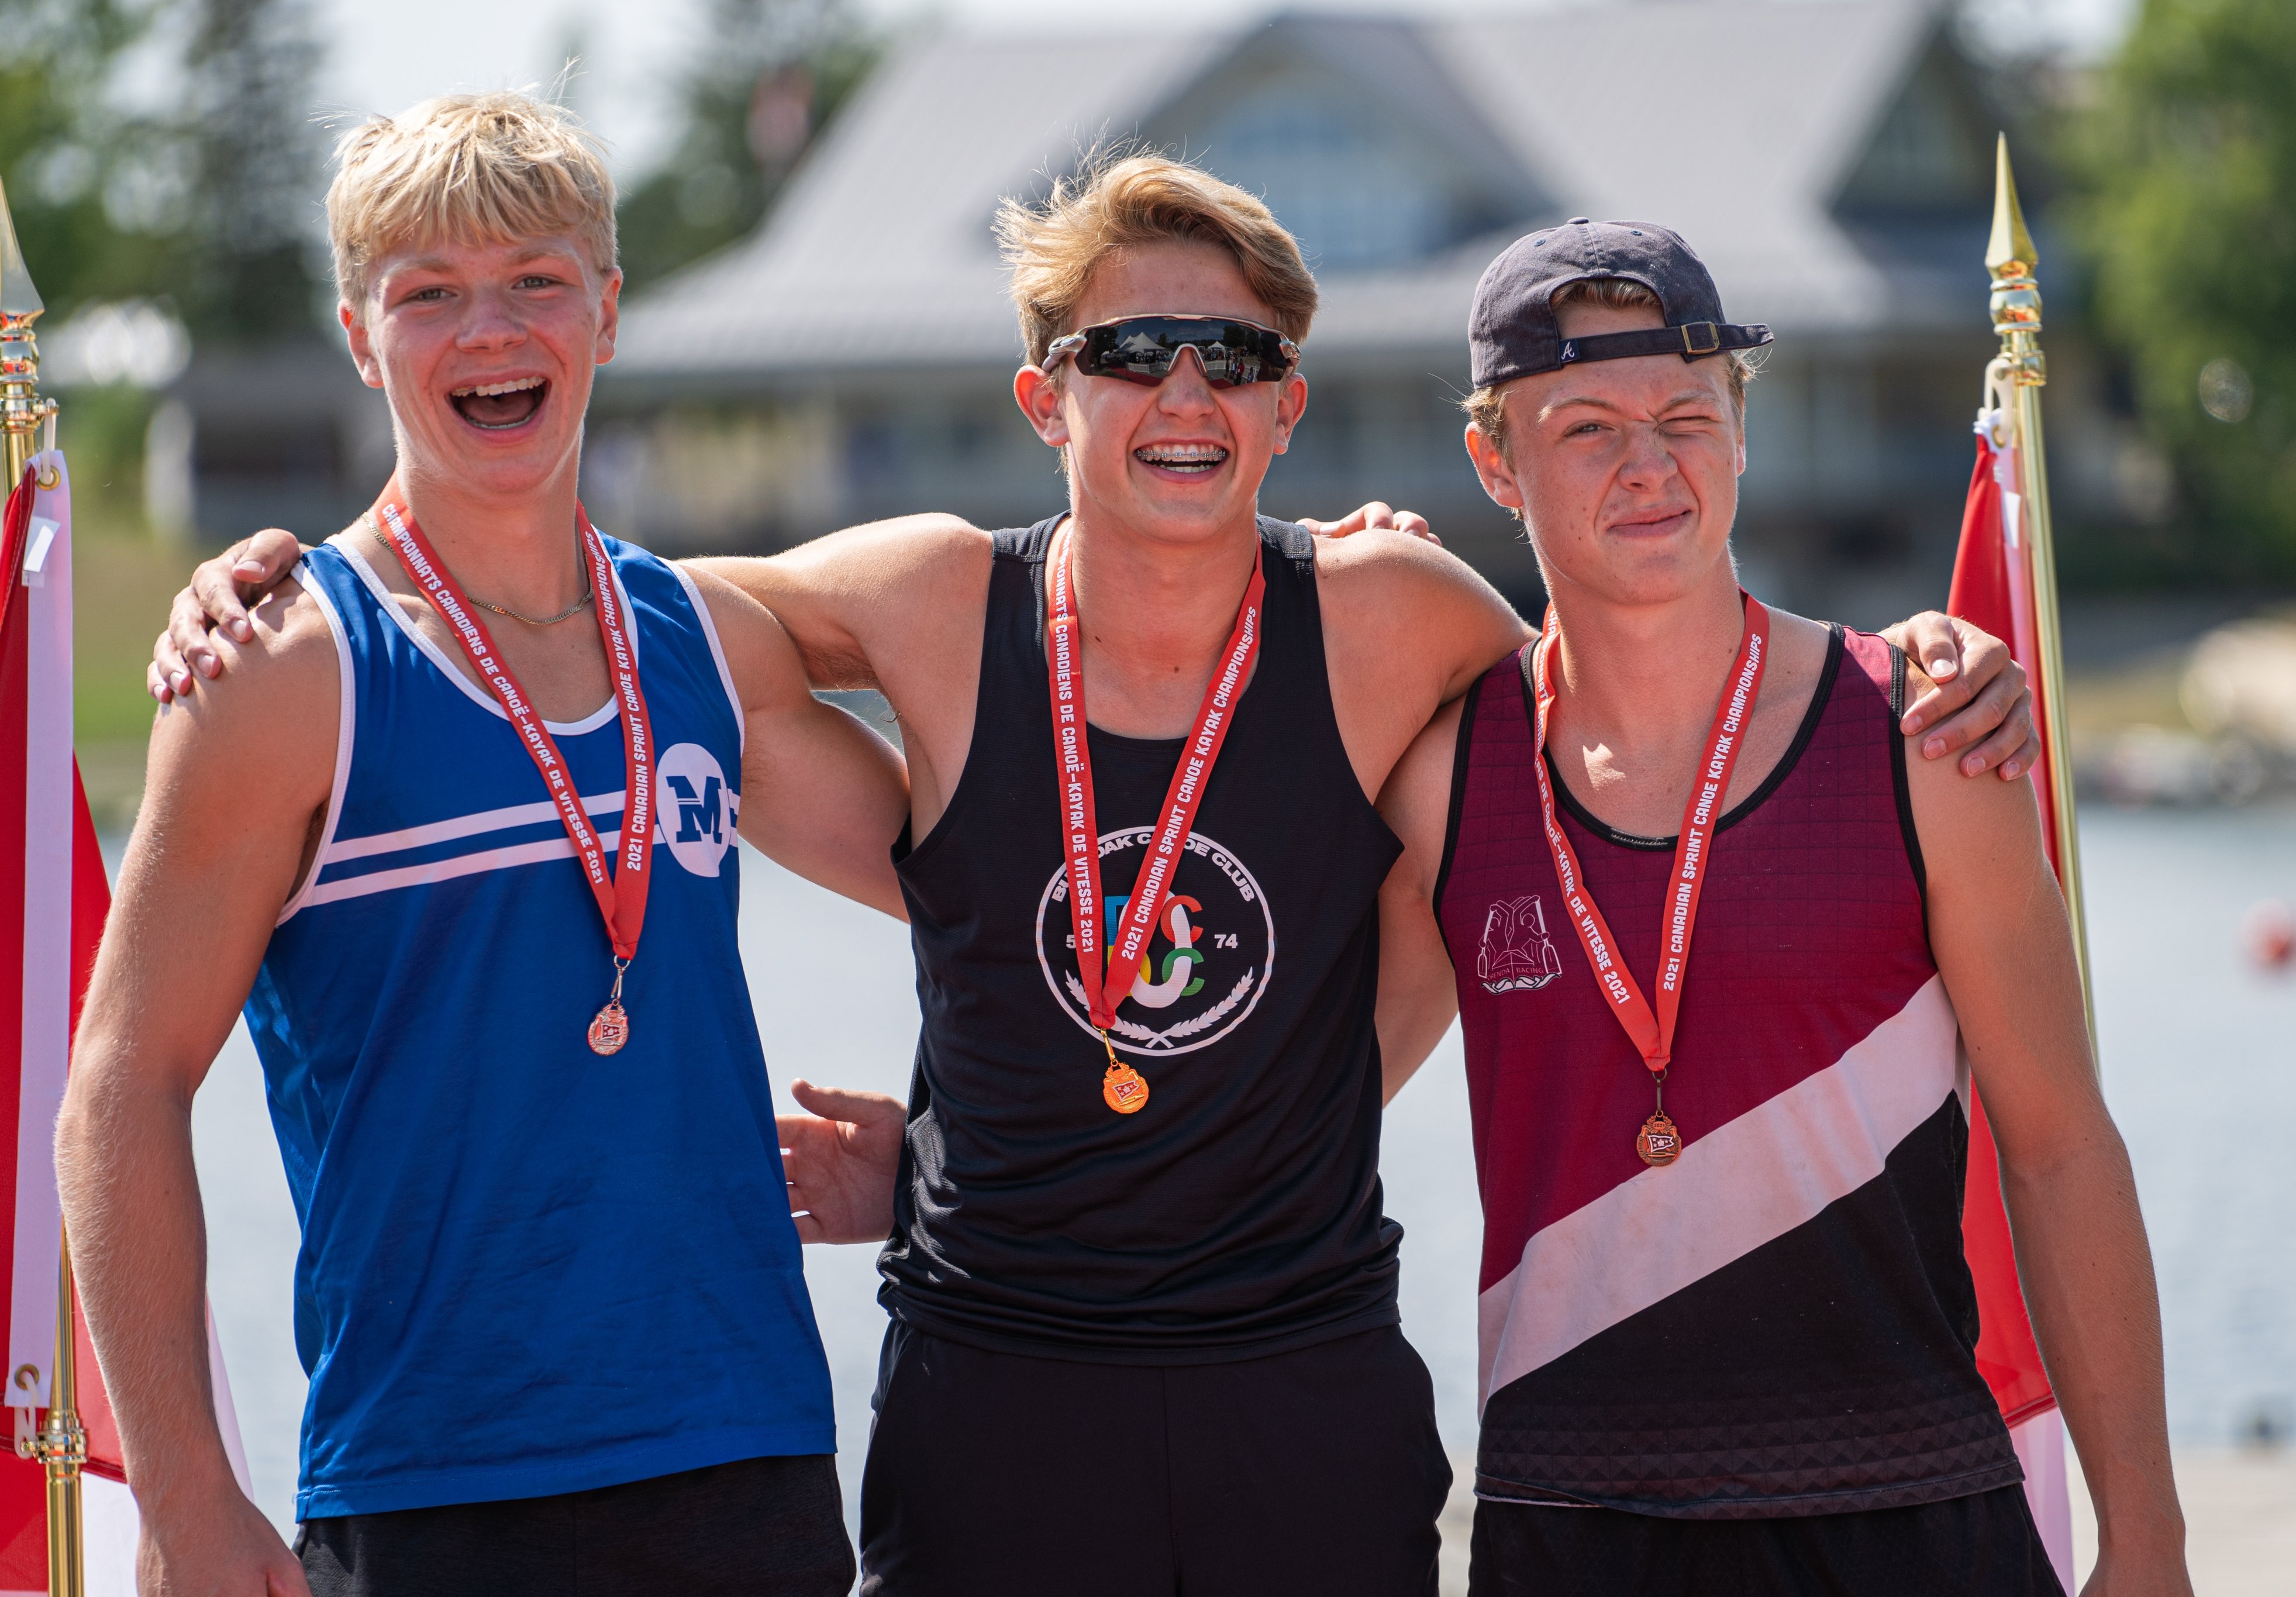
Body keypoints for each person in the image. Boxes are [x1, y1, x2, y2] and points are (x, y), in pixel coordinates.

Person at [150, 159, 2041, 1595]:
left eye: (1234, 356)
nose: (1182, 389)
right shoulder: (922, 599)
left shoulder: (1393, 615)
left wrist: (1917, 660)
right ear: (1044, 396)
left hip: (1298, 1380)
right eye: (1129, 353)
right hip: (996, 1390)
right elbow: (586, 601)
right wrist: (300, 573)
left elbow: (1622, 714)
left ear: (1290, 407)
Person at [60, 92, 913, 1597]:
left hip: (746, 1458)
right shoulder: (282, 673)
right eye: (430, 295)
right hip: (431, 1486)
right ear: (357, 334)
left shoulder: (705, 644)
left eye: (535, 282)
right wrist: (186, 1499)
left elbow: (1004, 900)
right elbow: (120, 1088)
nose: (491, 332)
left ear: (607, 310)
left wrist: (953, 1171)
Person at [1371, 221, 2190, 1596]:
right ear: (1492, 464)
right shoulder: (1438, 779)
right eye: (1585, 431)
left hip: (1907, 1513)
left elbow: (2057, 1150)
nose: (1649, 466)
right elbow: (1289, 1111)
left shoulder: (1924, 737)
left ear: (1740, 431)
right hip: (1572, 1523)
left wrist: (2147, 1542)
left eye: (1685, 418)